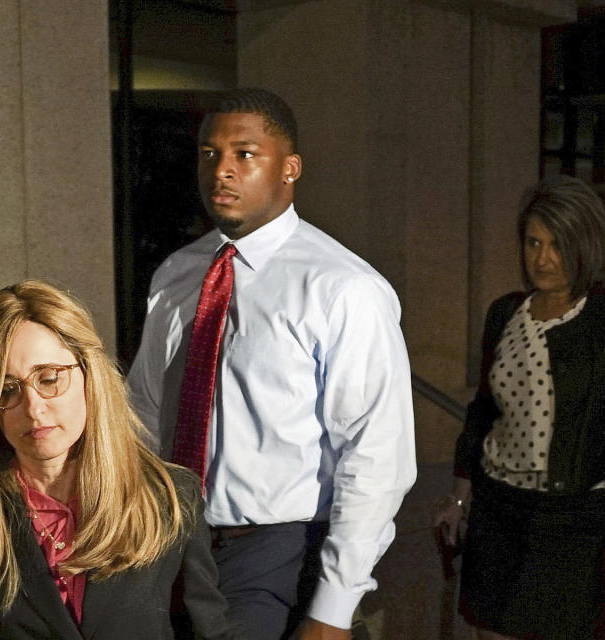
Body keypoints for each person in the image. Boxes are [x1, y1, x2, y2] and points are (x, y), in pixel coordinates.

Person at [126, 87, 417, 640]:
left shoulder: (342, 288)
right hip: (167, 541)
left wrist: (332, 608)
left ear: (290, 168)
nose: (222, 172)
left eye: (244, 154)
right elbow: (143, 409)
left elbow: (376, 456)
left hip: (274, 551)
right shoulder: (177, 275)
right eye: (210, 154)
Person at [0, 280, 241, 639]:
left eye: (50, 378)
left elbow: (207, 632)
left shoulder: (169, 497)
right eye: (7, 390)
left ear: (89, 374)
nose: (34, 408)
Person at [434, 175, 605, 640]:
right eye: (533, 242)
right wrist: (460, 497)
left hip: (575, 520)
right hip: (498, 510)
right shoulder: (505, 313)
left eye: (558, 245)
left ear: (584, 247)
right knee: (487, 632)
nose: (543, 258)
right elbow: (483, 412)